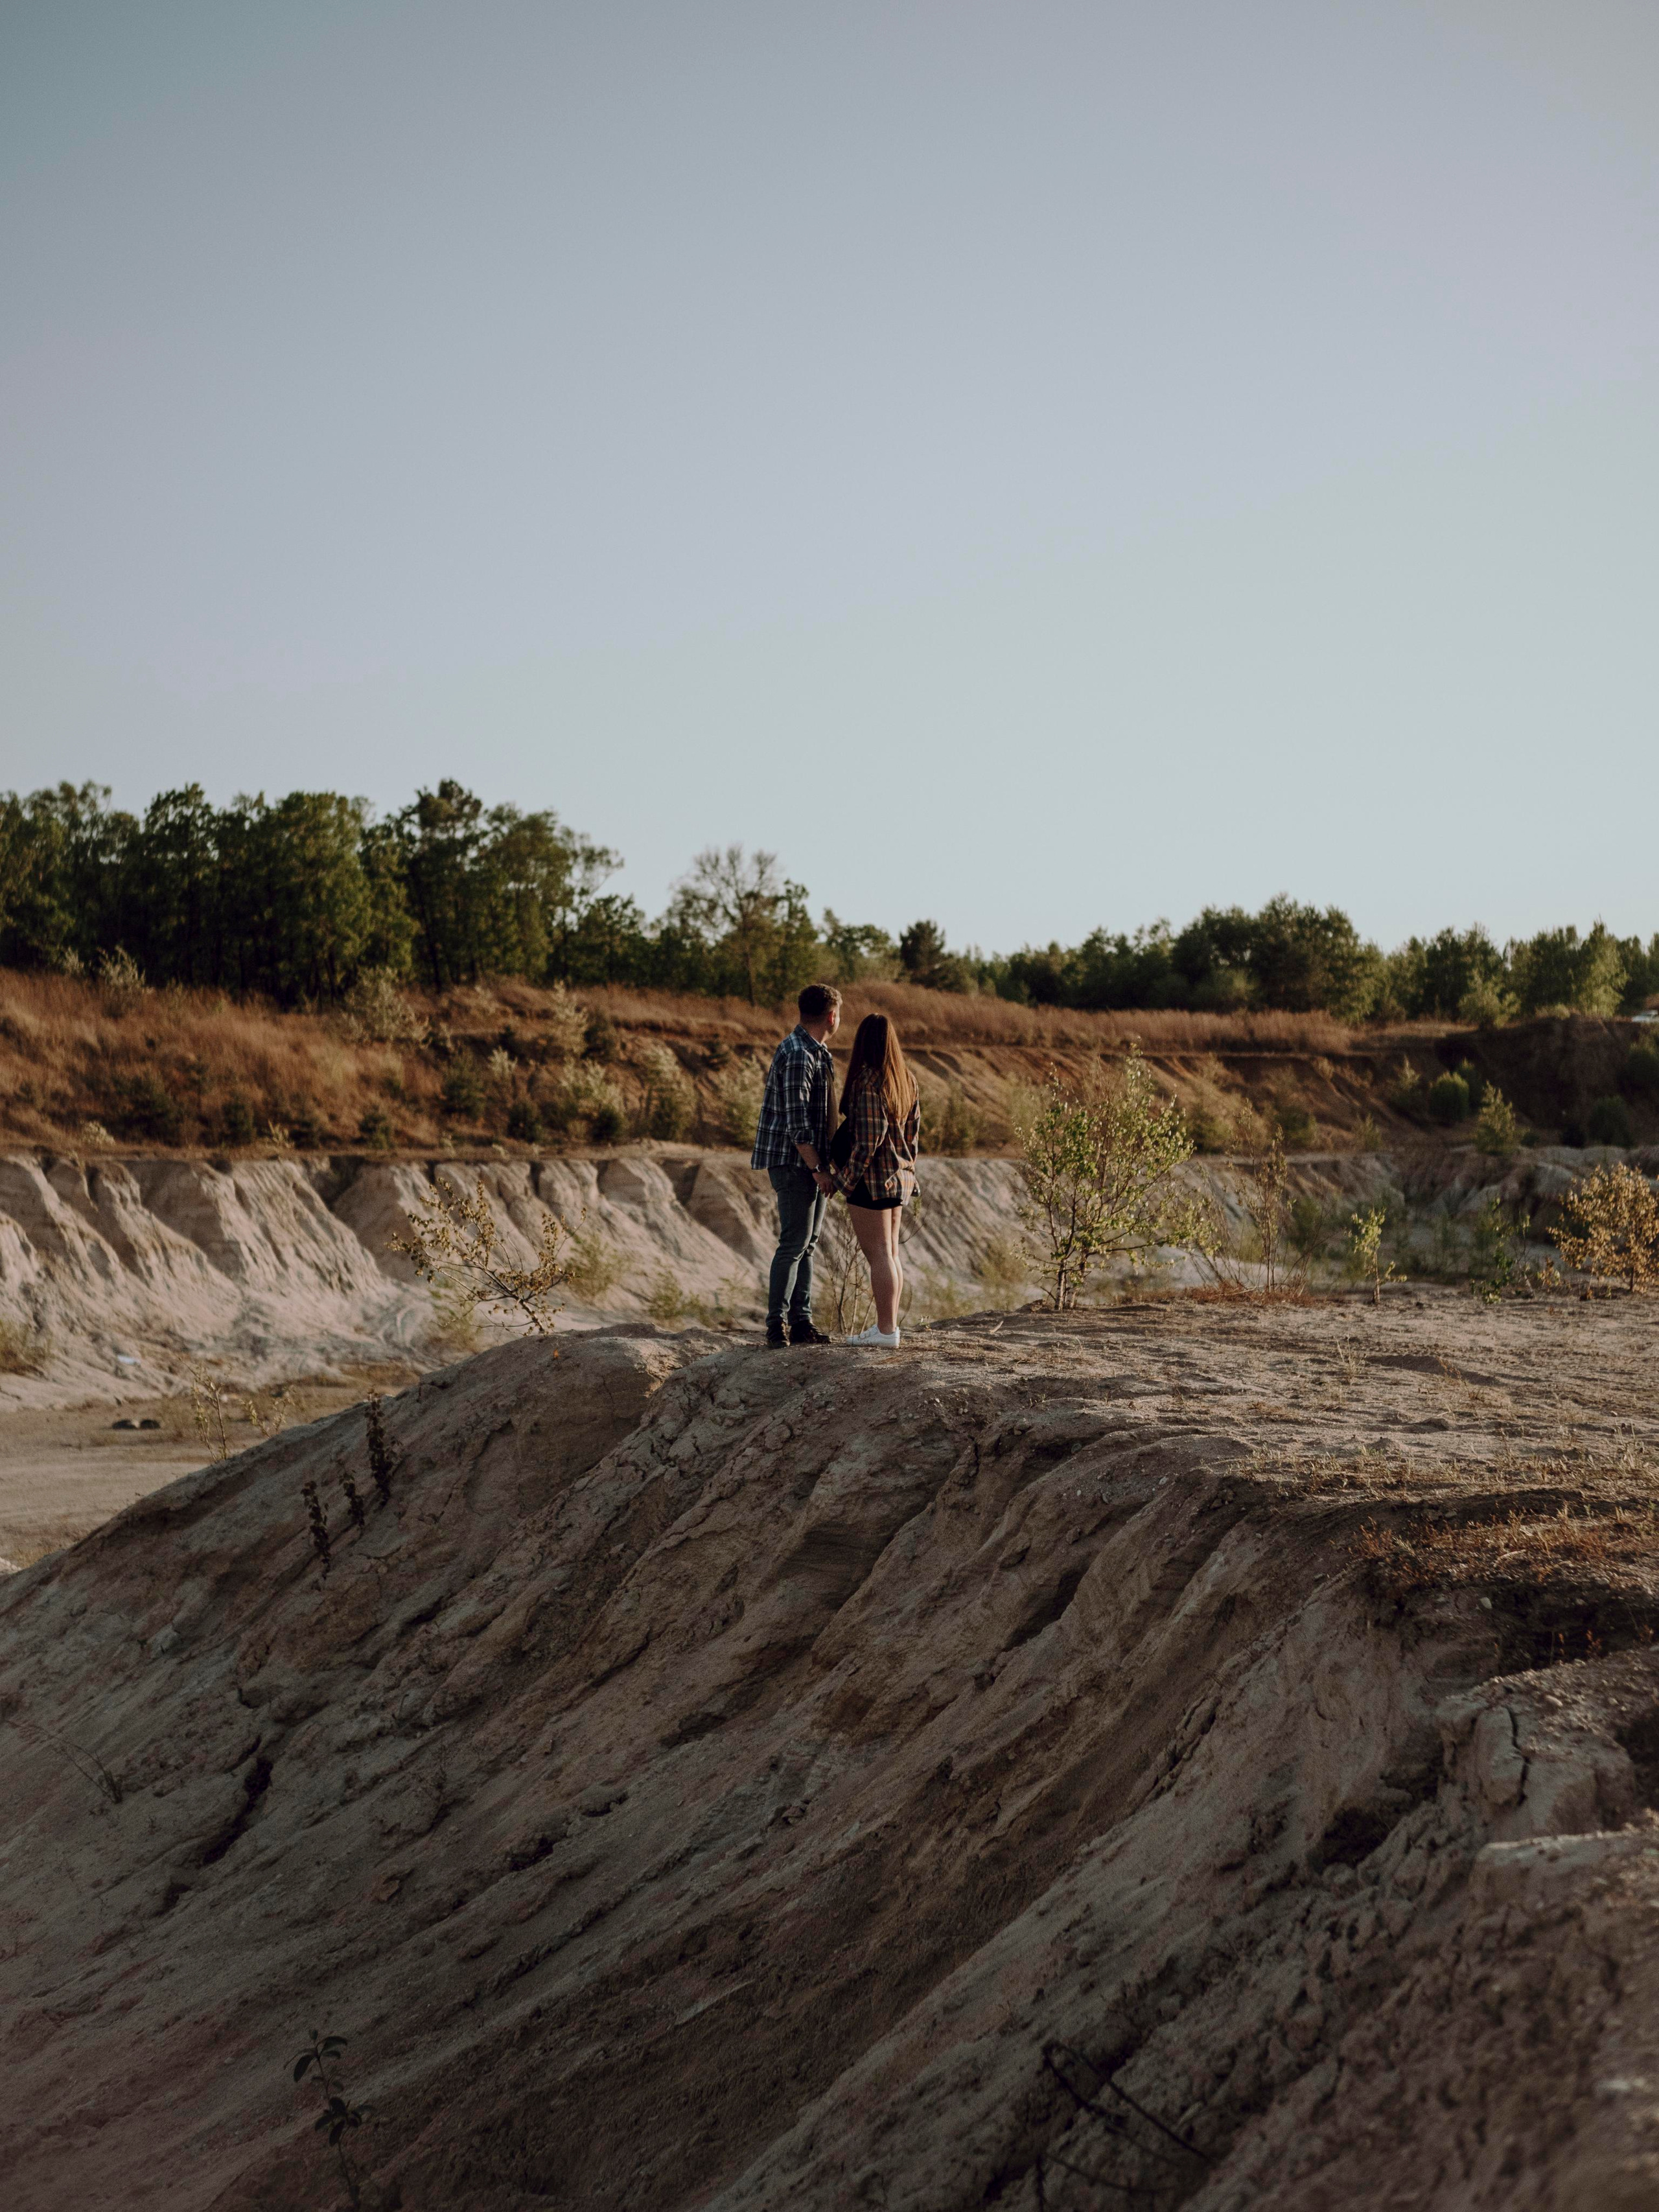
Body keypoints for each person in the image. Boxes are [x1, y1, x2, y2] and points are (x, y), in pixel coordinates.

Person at [750, 982, 842, 1349]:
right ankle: (776, 1326)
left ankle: (802, 1323)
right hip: (794, 1162)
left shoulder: (816, 1052)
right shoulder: (799, 1054)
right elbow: (797, 1122)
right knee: (794, 1243)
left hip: (810, 1161)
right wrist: (819, 1170)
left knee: (809, 1243)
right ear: (831, 1016)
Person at [830, 1012, 921, 1349]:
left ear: (863, 1043)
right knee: (891, 1254)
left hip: (872, 1180)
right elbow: (912, 1136)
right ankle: (888, 1328)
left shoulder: (869, 1081)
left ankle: (885, 1331)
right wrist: (907, 1169)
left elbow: (870, 1138)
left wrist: (845, 1180)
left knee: (880, 1255)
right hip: (898, 1178)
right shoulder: (906, 1080)